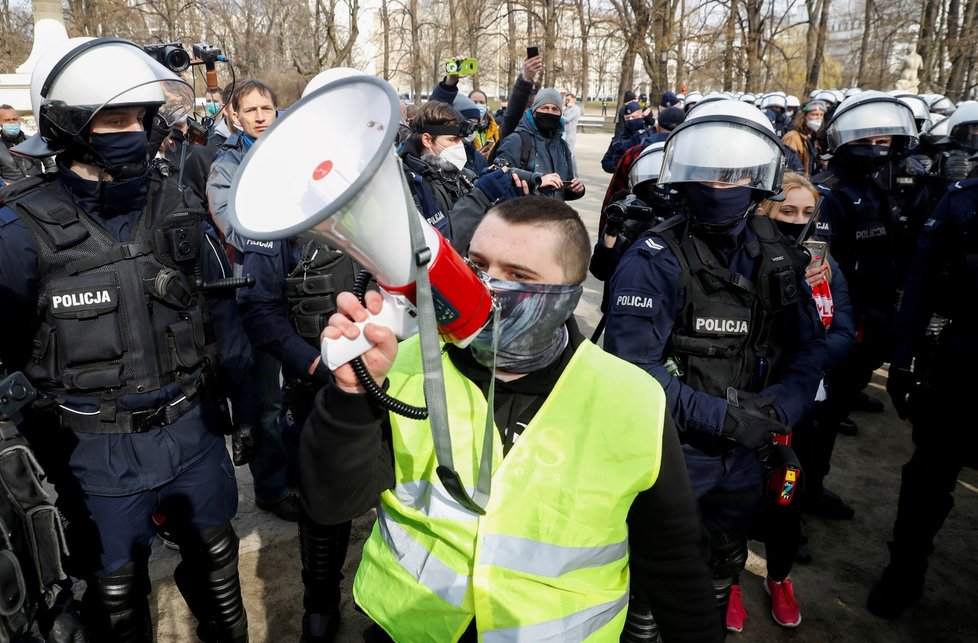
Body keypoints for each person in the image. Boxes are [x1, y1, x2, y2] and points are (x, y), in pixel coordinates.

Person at [300, 195, 722, 642]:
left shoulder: (632, 399)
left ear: (567, 297)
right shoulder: (401, 367)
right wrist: (350, 394)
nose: (487, 287)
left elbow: (675, 559)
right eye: (477, 266)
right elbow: (329, 503)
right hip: (411, 628)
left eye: (519, 276)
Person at [0, 37, 257, 641]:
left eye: (139, 117)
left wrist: (246, 405)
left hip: (192, 434)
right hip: (92, 453)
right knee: (116, 602)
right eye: (113, 119)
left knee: (221, 582)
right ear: (68, 127)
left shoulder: (176, 202)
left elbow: (221, 313)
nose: (132, 132)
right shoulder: (17, 231)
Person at [603, 99, 826, 634]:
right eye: (709, 170)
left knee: (725, 558)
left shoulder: (778, 254)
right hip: (673, 450)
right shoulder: (653, 258)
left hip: (752, 446)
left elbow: (809, 348)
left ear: (760, 177)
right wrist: (723, 419)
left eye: (735, 172)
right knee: (654, 570)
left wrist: (779, 409)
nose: (721, 184)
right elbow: (632, 371)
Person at [867, 170, 978, 620]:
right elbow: (923, 278)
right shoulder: (964, 199)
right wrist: (903, 358)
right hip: (962, 363)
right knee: (928, 478)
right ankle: (904, 571)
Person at [752, 172, 856, 628]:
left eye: (807, 213)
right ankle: (728, 578)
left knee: (788, 496)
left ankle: (778, 576)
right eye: (787, 211)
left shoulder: (827, 268)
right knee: (739, 495)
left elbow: (845, 333)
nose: (798, 221)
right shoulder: (747, 258)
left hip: (804, 410)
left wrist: (806, 355)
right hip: (754, 404)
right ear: (765, 211)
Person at [812, 91, 919, 438]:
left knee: (843, 395)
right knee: (819, 416)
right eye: (865, 140)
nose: (875, 148)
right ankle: (806, 486)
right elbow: (819, 267)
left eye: (883, 141)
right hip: (844, 317)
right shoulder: (828, 193)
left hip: (874, 312)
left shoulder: (875, 189)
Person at [207, 78, 278, 257]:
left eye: (267, 109)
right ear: (236, 116)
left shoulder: (298, 148)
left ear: (276, 112)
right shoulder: (226, 163)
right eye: (251, 110)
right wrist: (266, 246)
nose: (260, 117)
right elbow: (225, 216)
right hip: (255, 261)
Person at [493, 88, 585, 201]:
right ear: (534, 111)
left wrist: (575, 189)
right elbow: (498, 173)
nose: (549, 112)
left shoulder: (562, 146)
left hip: (555, 214)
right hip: (521, 213)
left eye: (555, 109)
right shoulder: (516, 140)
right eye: (544, 108)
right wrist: (537, 180)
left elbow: (565, 185)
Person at [0, 104, 53, 182]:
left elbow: (51, 165)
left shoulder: (34, 140)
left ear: (19, 121)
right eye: (7, 120)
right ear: (1, 123)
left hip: (39, 187)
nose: (12, 123)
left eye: (14, 119)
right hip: (15, 192)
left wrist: (47, 180)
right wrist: (6, 186)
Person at [782, 100, 826, 176]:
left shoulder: (812, 137)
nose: (819, 118)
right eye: (814, 114)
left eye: (821, 115)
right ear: (804, 116)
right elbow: (788, 167)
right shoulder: (792, 137)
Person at [467, 89, 501, 160]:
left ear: (486, 106)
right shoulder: (463, 128)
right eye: (475, 102)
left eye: (481, 102)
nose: (478, 105)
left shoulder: (493, 127)